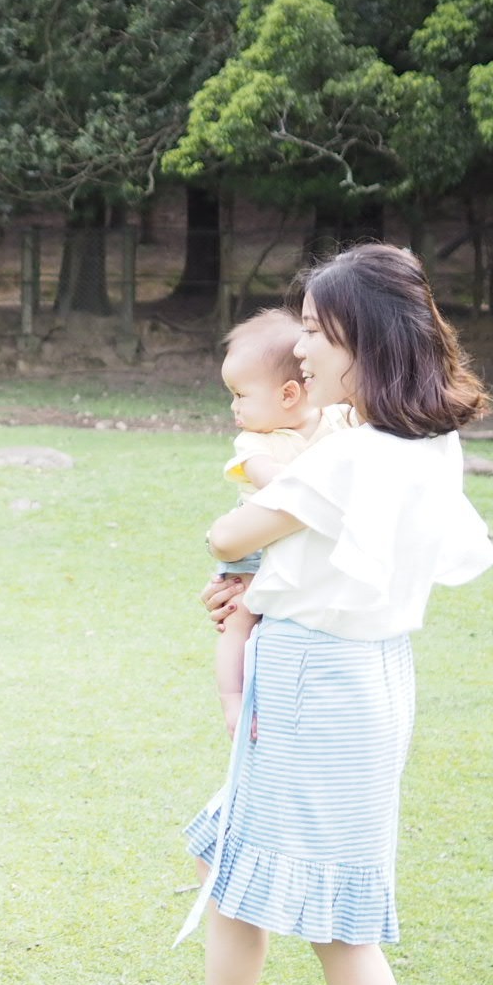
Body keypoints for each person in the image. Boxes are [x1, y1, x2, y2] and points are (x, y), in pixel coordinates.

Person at [118, 243, 493, 985]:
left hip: (320, 684)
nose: (305, 357)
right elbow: (321, 556)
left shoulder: (356, 452)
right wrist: (257, 596)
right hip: (355, 671)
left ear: (361, 339)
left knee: (339, 922)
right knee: (234, 857)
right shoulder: (422, 438)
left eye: (321, 335)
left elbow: (229, 531)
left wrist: (248, 573)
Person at [211, 309, 351, 737]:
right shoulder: (254, 440)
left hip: (307, 564)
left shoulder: (338, 420)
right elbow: (275, 486)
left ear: (289, 394)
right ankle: (233, 702)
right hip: (255, 545)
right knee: (238, 616)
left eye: (240, 395)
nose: (233, 407)